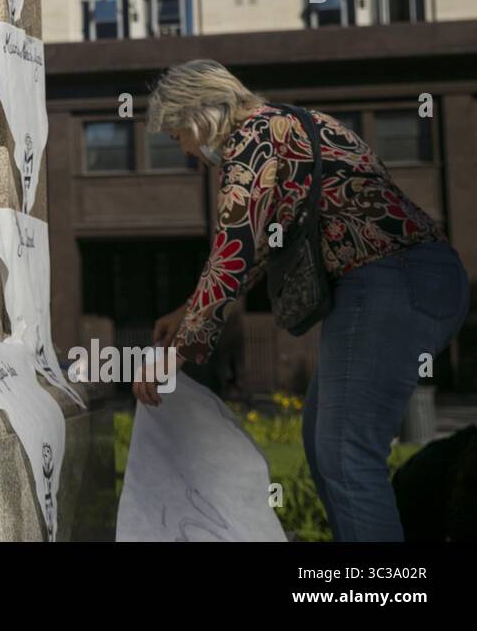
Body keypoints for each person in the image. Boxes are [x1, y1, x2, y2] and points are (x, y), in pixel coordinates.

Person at [132, 59, 469, 541]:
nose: (186, 151)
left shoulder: (252, 141)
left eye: (177, 135)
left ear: (198, 115)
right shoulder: (295, 124)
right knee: (324, 442)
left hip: (387, 283)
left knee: (346, 453)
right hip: (414, 281)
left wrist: (176, 351)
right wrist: (188, 311)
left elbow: (233, 250)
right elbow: (262, 247)